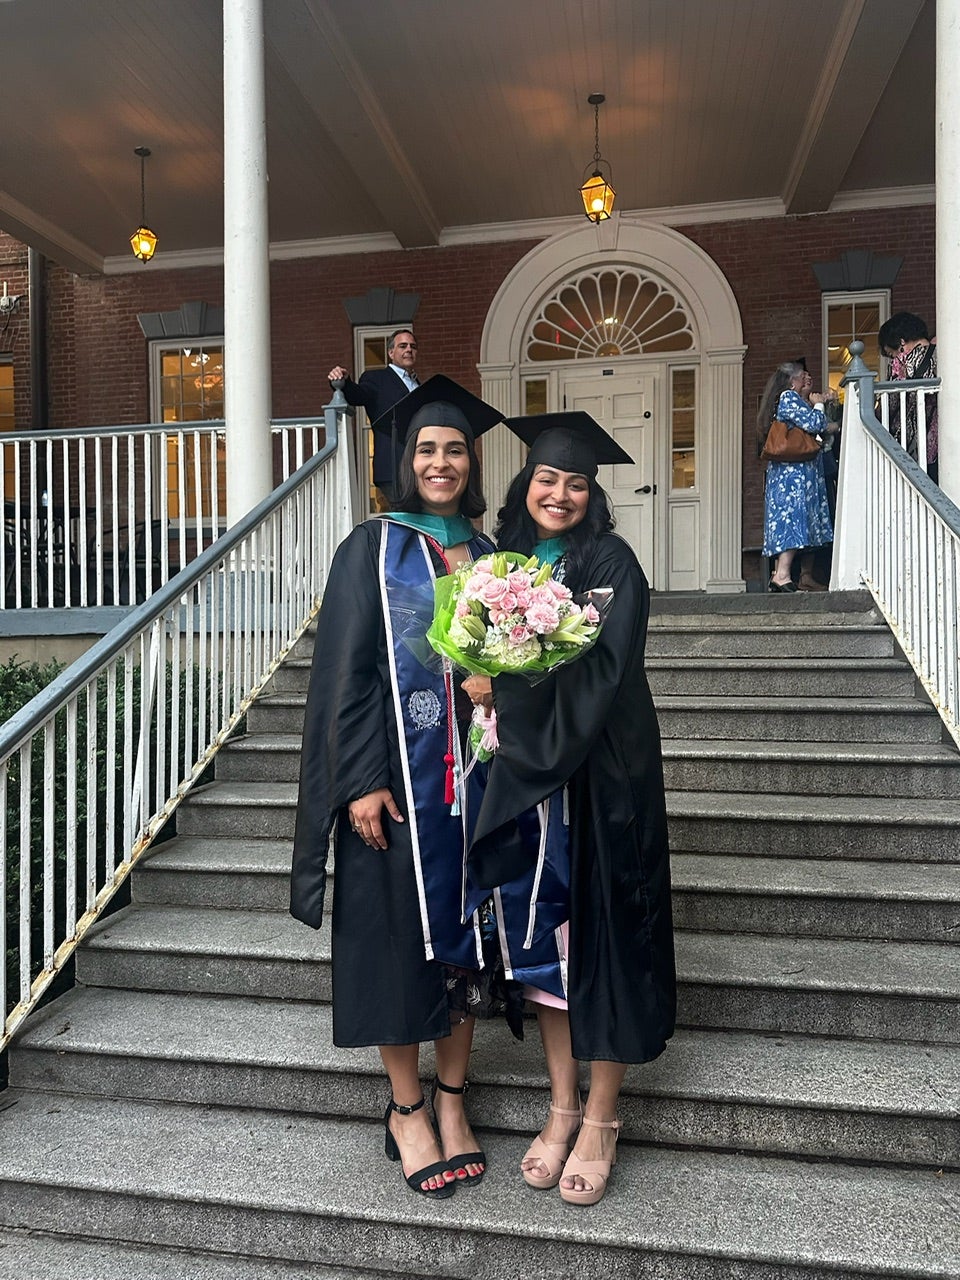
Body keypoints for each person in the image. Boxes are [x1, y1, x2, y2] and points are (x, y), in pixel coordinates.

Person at [290, 376, 505, 1200]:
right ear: (403, 461)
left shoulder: (489, 556)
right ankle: (406, 1109)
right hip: (395, 789)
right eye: (426, 449)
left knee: (465, 951)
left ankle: (453, 1101)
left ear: (471, 460)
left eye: (454, 449)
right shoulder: (369, 549)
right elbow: (345, 678)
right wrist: (362, 782)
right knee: (394, 949)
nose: (441, 462)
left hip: (474, 792)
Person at [462, 412, 676, 1207]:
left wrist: (504, 693)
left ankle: (602, 1119)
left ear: (593, 496)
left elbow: (602, 676)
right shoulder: (505, 565)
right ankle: (559, 1107)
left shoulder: (610, 562)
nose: (561, 493)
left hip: (601, 780)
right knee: (545, 949)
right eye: (548, 479)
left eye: (577, 482)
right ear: (526, 486)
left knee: (604, 937)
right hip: (533, 783)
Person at [758, 361, 835, 593]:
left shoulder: (787, 400)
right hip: (792, 477)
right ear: (792, 380)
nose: (806, 378)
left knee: (793, 522)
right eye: (802, 376)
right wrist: (819, 405)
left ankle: (779, 575)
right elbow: (815, 424)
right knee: (792, 522)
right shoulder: (788, 397)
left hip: (792, 474)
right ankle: (782, 575)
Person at [328, 328, 420, 505]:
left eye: (413, 346)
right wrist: (343, 382)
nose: (409, 349)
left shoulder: (416, 382)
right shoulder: (377, 378)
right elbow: (358, 395)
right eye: (403, 346)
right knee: (408, 517)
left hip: (419, 464)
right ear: (391, 352)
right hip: (393, 465)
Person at [877, 312, 938, 484]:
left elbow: (890, 404)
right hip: (937, 438)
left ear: (901, 342)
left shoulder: (904, 362)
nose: (893, 358)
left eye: (891, 354)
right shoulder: (941, 354)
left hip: (912, 444)